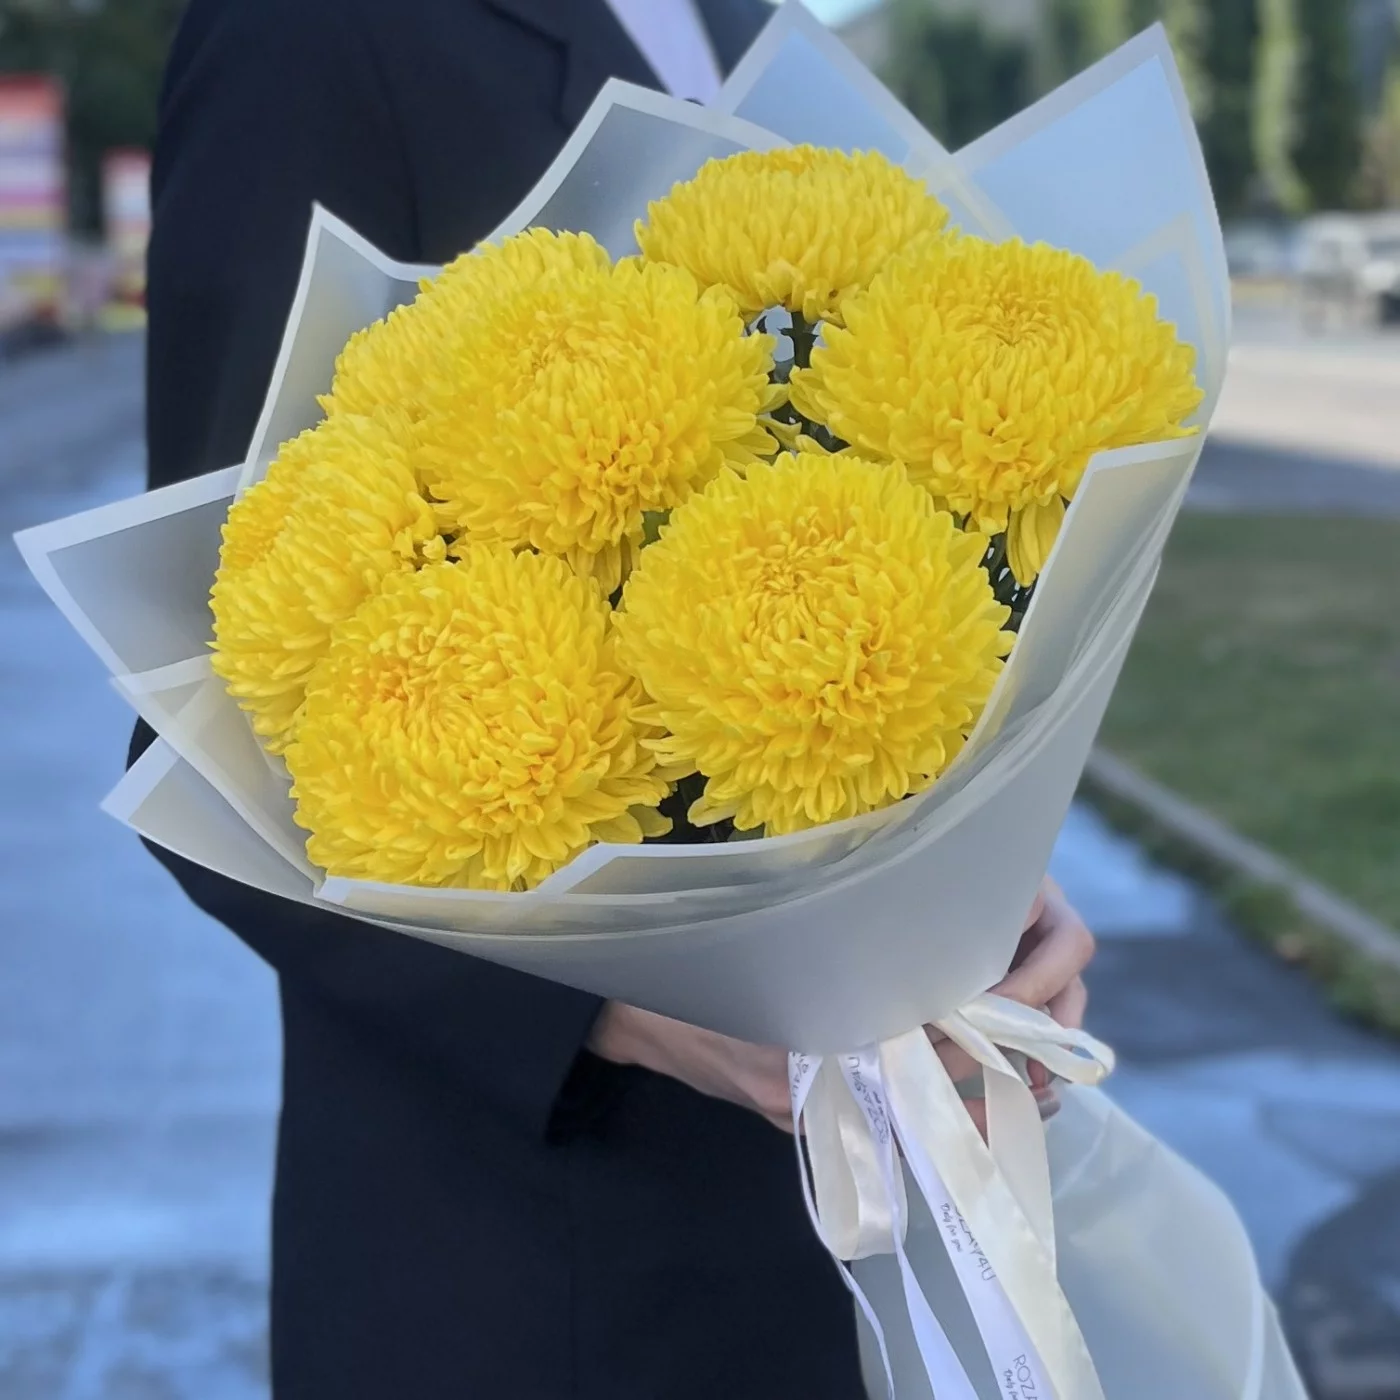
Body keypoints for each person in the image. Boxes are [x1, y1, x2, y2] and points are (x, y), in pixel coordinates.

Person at [139, 1, 1098, 1395]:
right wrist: (624, 1010)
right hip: (541, 1264)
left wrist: (973, 882)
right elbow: (198, 709)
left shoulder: (749, 18)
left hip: (838, 1243)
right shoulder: (307, 32)